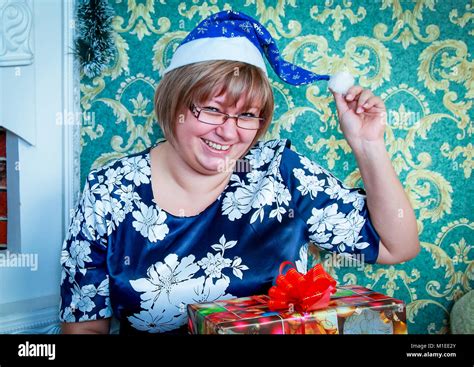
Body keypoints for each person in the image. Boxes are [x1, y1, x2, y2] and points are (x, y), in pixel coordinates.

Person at [60, 10, 420, 334]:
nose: (229, 132)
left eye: (247, 115)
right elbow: (84, 329)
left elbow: (397, 246)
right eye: (213, 110)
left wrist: (368, 144)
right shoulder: (108, 191)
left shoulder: (280, 175)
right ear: (173, 104)